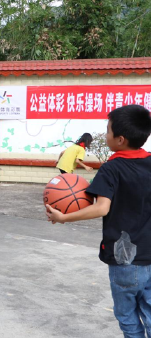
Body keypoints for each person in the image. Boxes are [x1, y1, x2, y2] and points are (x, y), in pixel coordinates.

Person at [46, 105, 151, 337]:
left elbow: (101, 208)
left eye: (108, 130)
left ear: (120, 139)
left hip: (126, 259)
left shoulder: (112, 168)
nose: (106, 135)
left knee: (128, 316)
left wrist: (63, 217)